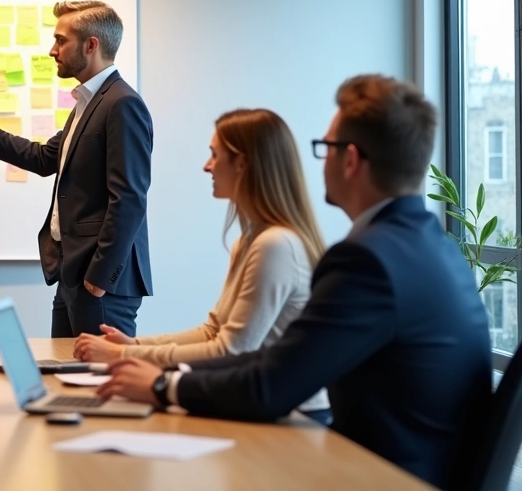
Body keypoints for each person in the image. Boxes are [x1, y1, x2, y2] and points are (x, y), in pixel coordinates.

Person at [99, 75, 492, 490]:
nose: (319, 162)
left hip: (384, 475)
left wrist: (163, 384)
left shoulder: (367, 261)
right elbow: (271, 361)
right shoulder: (437, 248)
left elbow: (271, 385)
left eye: (325, 148)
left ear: (351, 160)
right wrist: (158, 369)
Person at [74, 108, 330, 422]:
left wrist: (124, 355)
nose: (206, 166)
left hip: (296, 416)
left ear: (242, 163)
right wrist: (135, 343)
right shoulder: (250, 241)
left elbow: (230, 350)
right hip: (264, 407)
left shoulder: (275, 245)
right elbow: (213, 331)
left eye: (214, 154)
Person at [0, 0, 152, 337]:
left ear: (91, 45)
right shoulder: (89, 103)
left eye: (61, 40)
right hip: (72, 276)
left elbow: (129, 200)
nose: (53, 50)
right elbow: (41, 158)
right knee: (66, 377)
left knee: (100, 384)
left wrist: (99, 278)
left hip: (99, 283)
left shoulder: (121, 104)